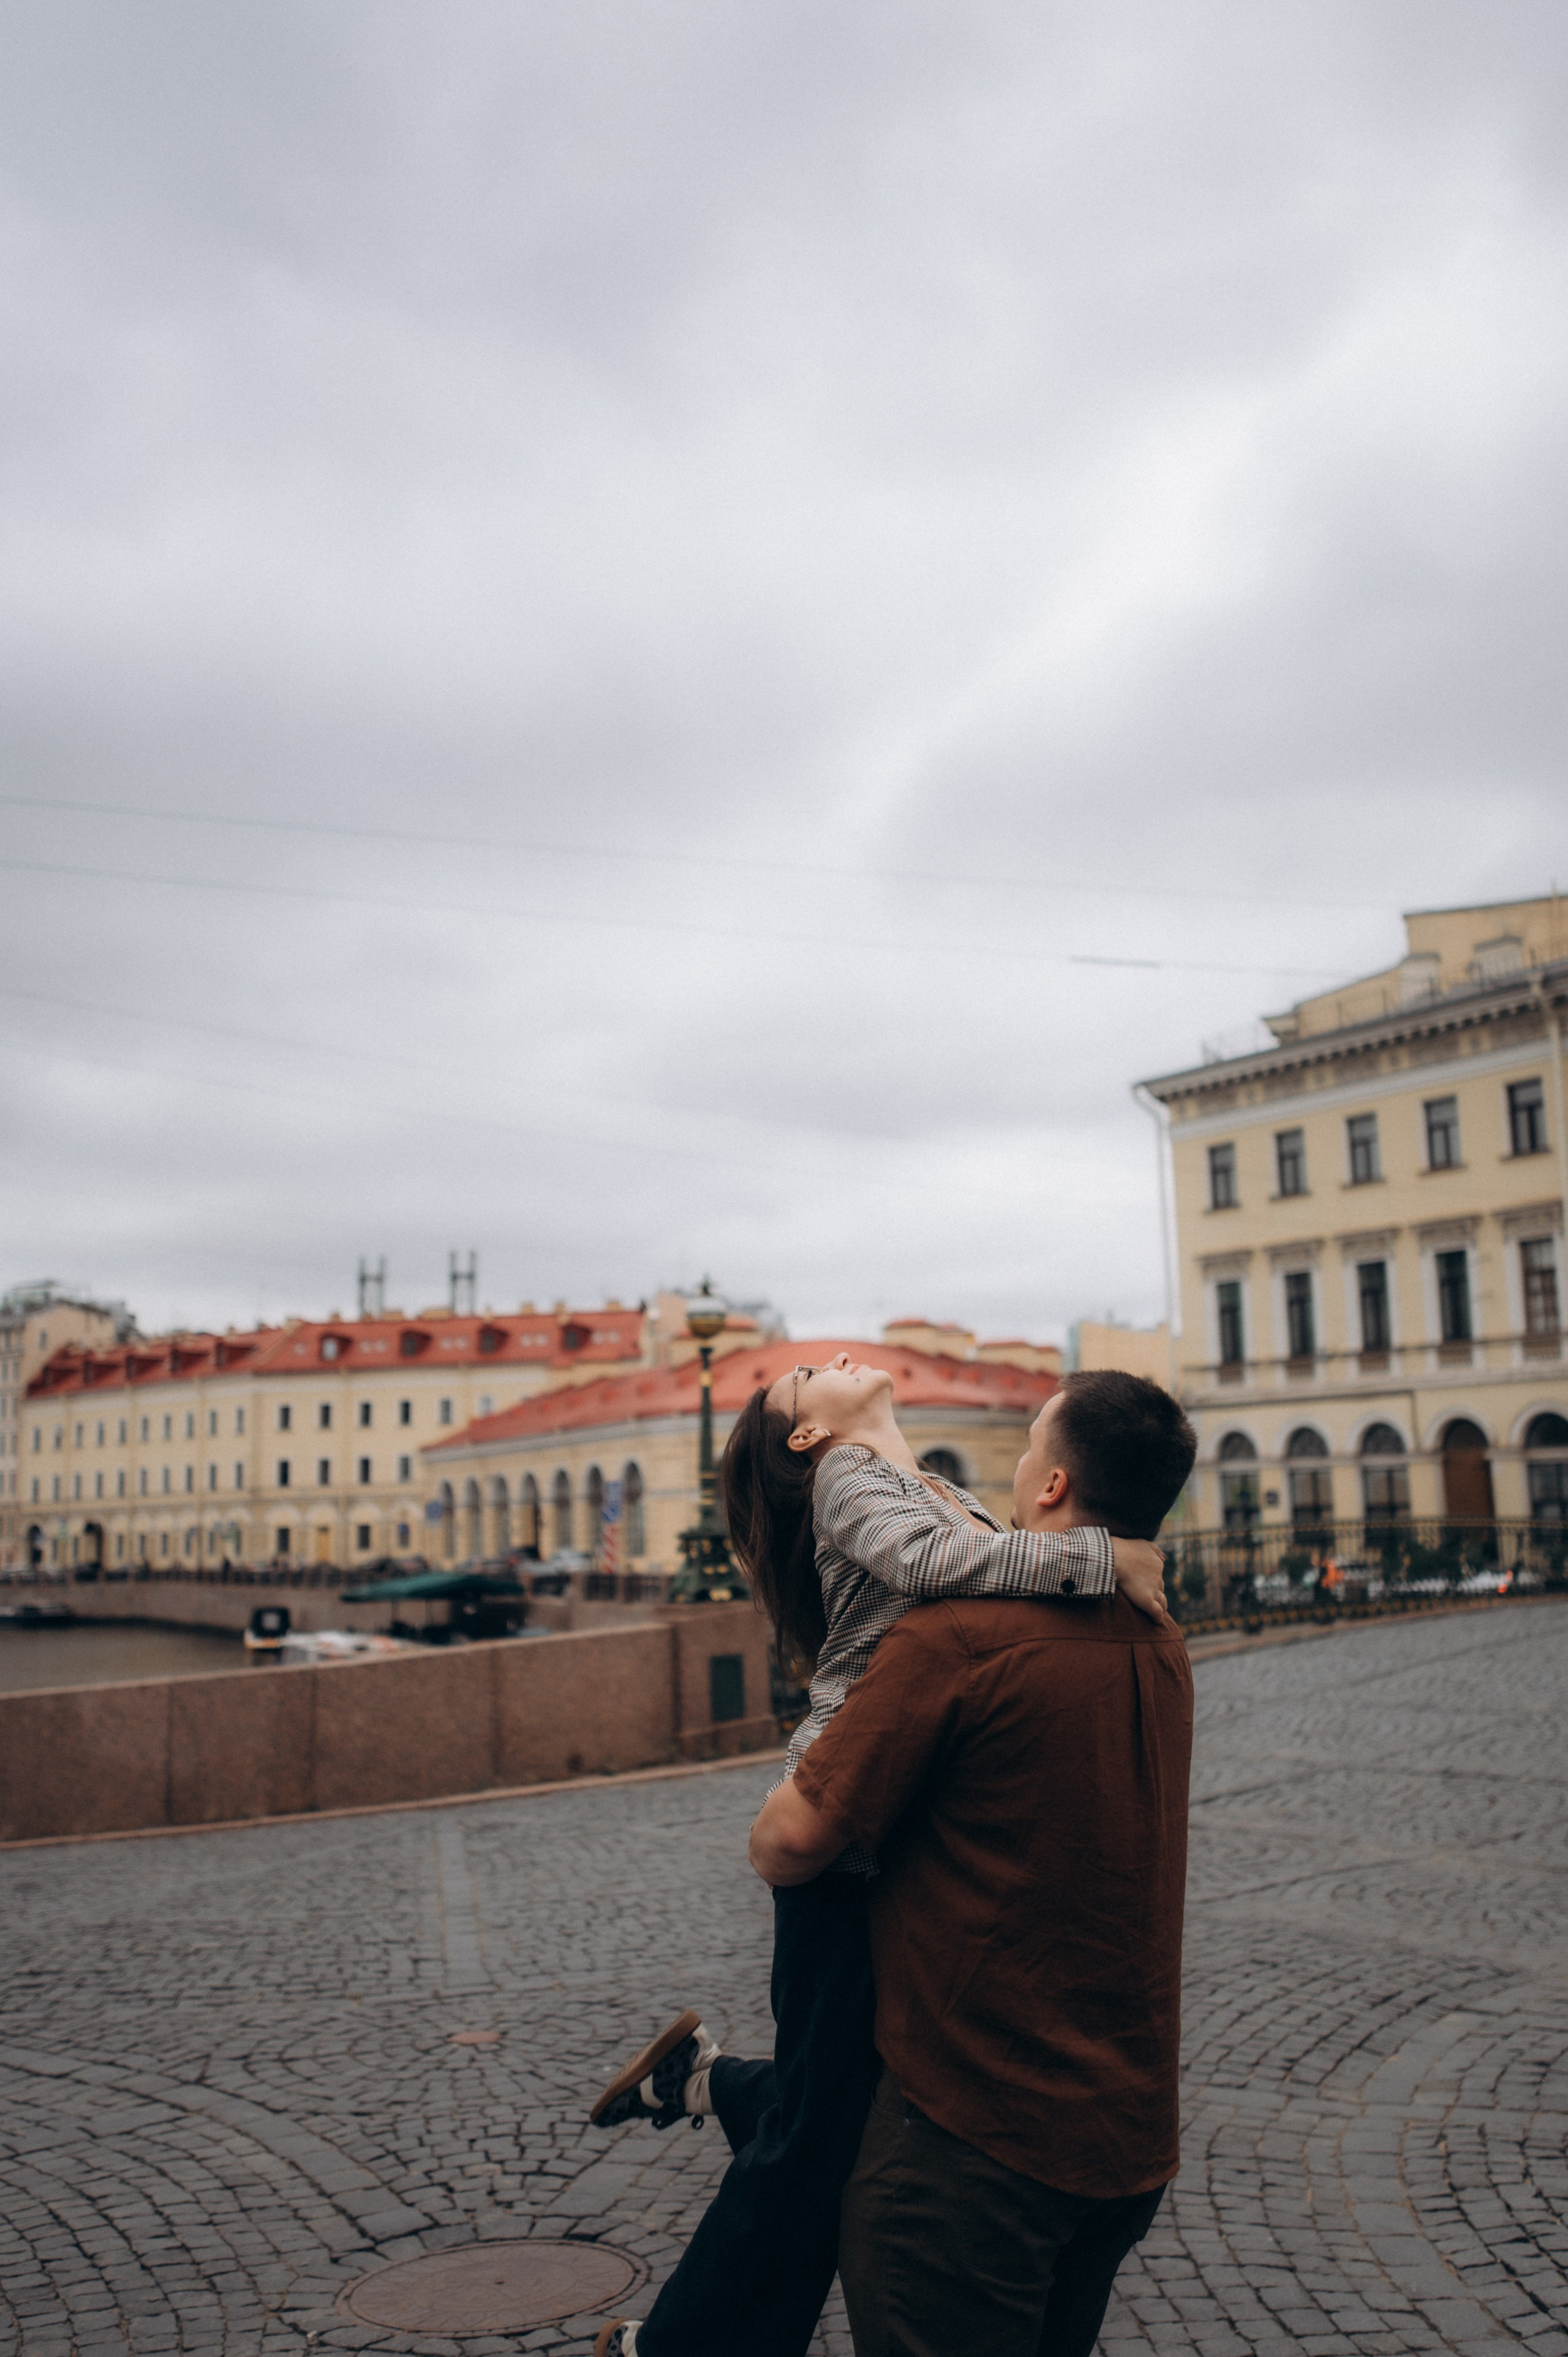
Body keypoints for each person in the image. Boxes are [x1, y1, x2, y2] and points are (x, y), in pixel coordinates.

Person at [589, 1356, 1169, 2357]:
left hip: (893, 1821)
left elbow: (978, 1580)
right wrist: (1099, 1558)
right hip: (844, 1830)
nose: (828, 1361)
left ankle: (705, 2081)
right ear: (808, 1438)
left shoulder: (937, 1489)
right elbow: (939, 1575)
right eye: (804, 1379)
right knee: (819, 2137)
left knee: (841, 2095)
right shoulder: (849, 1478)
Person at [745, 1370, 1197, 2357]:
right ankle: (734, 2092)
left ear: (1049, 1487)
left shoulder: (958, 1638)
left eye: (1031, 1444)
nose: (1020, 1460)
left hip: (973, 2148)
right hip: (1124, 2132)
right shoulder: (1157, 1629)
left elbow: (788, 1846)